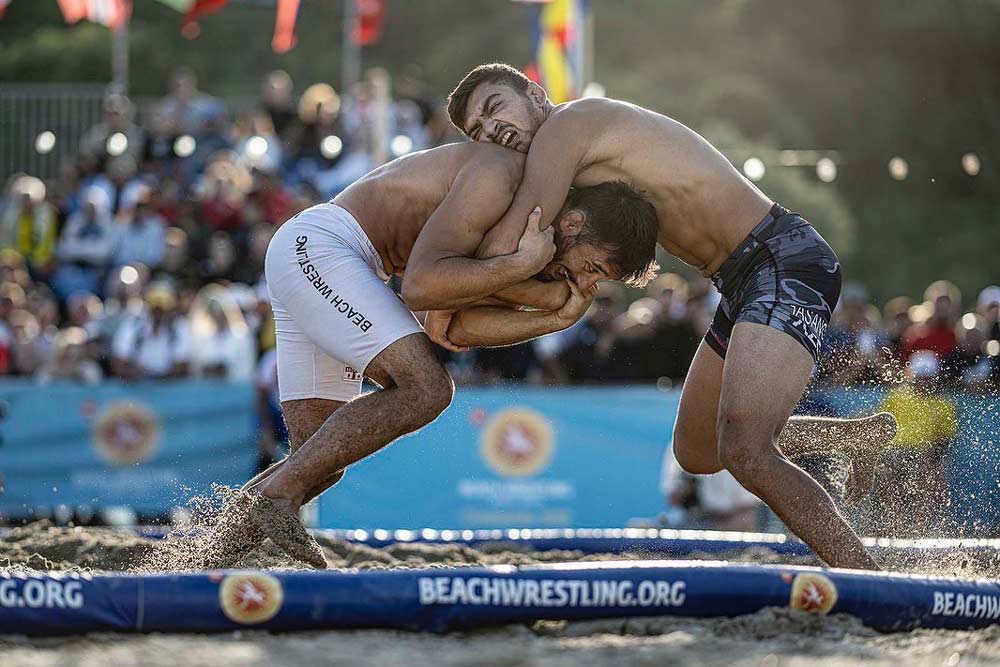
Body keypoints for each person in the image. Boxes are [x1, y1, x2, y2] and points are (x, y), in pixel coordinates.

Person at [446, 62, 898, 570]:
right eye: (479, 133)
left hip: (781, 257)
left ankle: (867, 575)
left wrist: (438, 281)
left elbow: (513, 239)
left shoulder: (567, 125)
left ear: (533, 93)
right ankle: (846, 437)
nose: (492, 132)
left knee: (746, 451)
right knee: (699, 451)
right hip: (742, 281)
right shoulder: (567, 161)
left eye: (494, 109)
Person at [209, 141, 660, 568]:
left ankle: (200, 558)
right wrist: (524, 273)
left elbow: (454, 327)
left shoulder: (531, 243)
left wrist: (556, 318)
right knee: (425, 389)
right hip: (325, 249)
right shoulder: (512, 199)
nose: (585, 284)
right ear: (573, 222)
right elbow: (423, 289)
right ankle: (276, 495)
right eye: (594, 268)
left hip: (320, 255)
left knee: (318, 464)